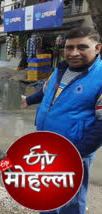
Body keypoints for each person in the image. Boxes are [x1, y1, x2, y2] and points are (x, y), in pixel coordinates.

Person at [21, 27, 102, 214]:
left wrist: (76, 153)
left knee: (70, 200)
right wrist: (30, 100)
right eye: (69, 47)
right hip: (46, 146)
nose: (73, 53)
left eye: (82, 47)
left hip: (75, 150)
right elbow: (47, 90)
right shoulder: (60, 69)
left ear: (97, 48)